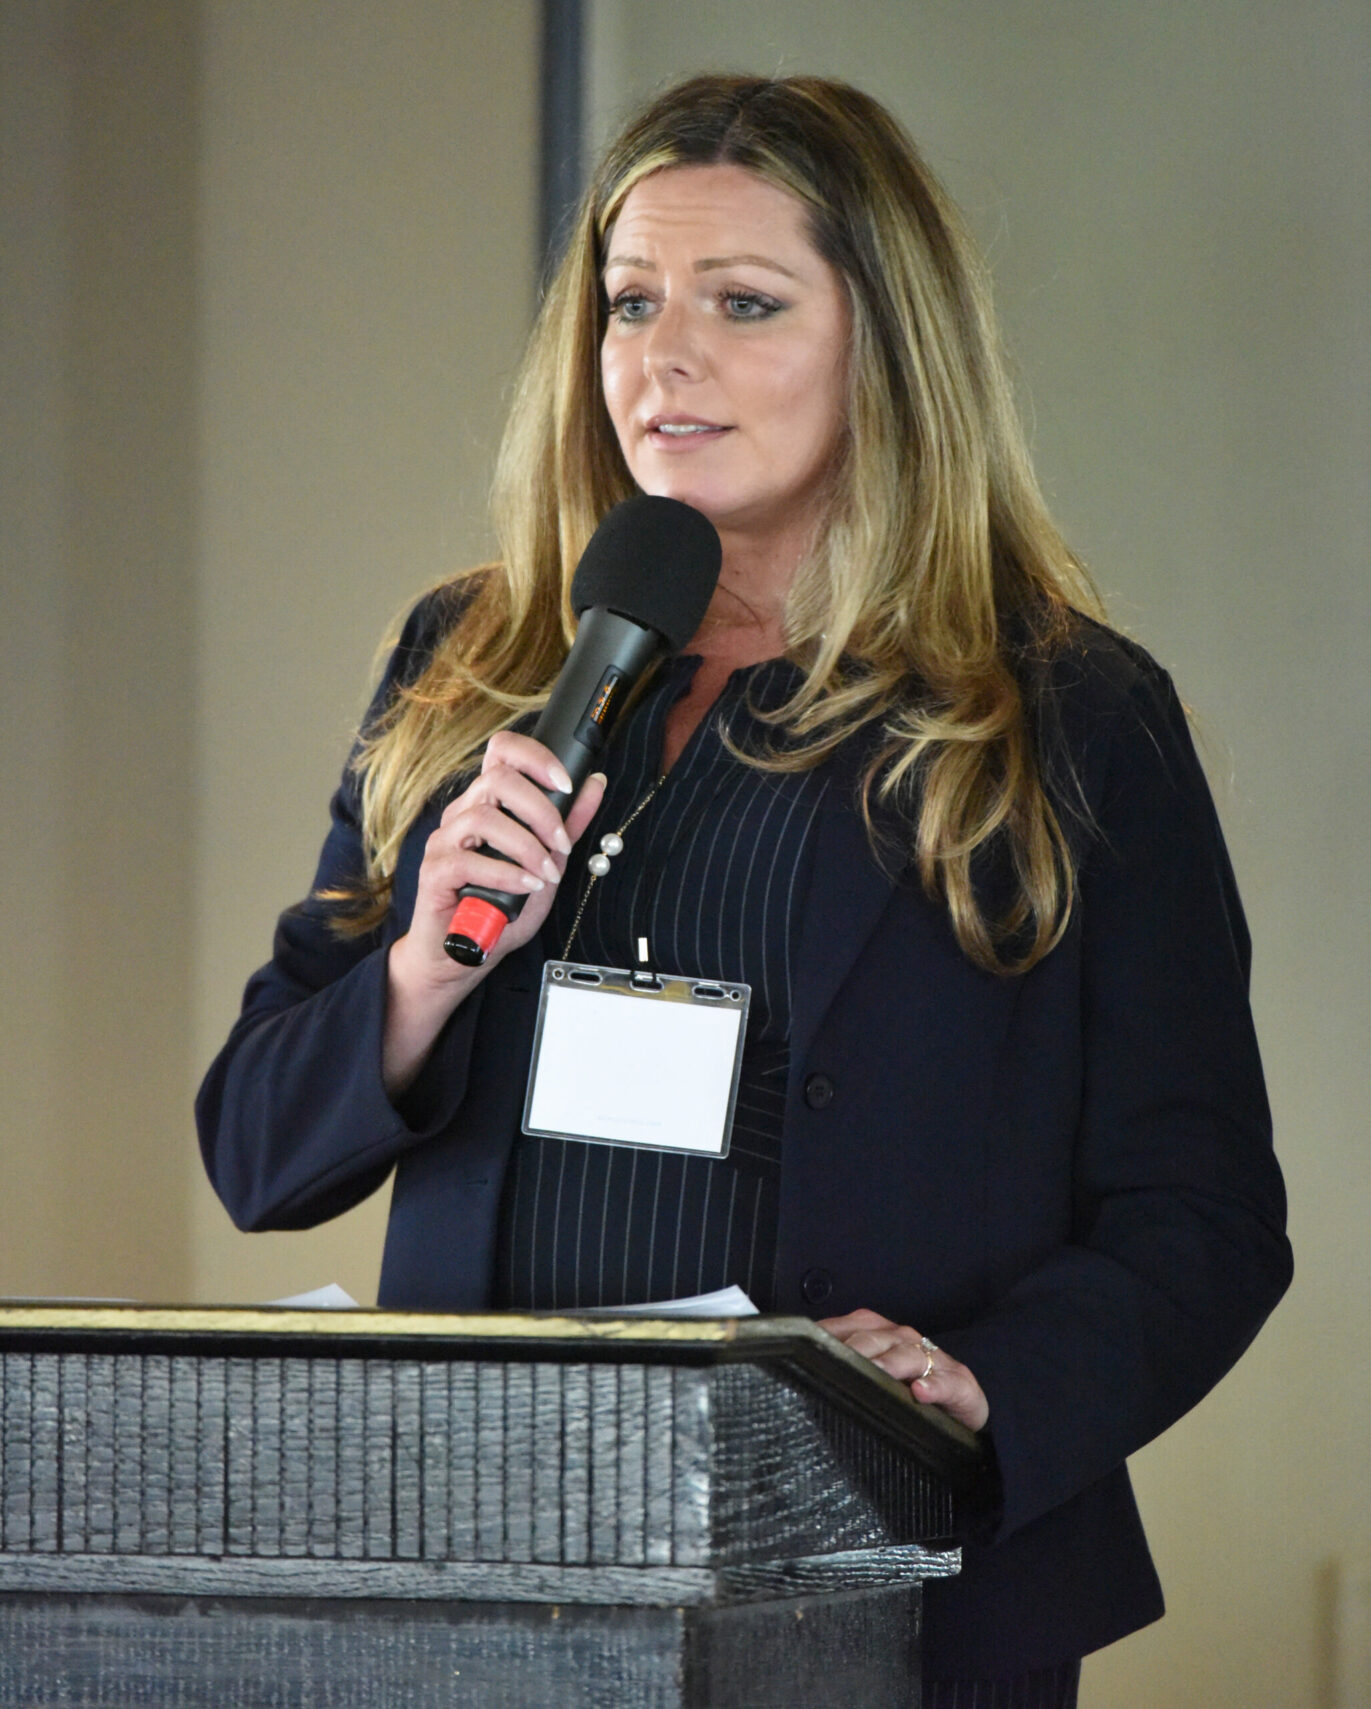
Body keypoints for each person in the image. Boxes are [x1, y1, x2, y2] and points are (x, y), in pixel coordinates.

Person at [197, 74, 1291, 1704]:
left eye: (744, 303)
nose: (662, 359)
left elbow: (1202, 1216)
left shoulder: (1061, 715)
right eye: (630, 304)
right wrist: (420, 974)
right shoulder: (473, 666)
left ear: (887, 347)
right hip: (485, 1577)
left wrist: (984, 1383)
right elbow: (254, 1145)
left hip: (880, 1585)